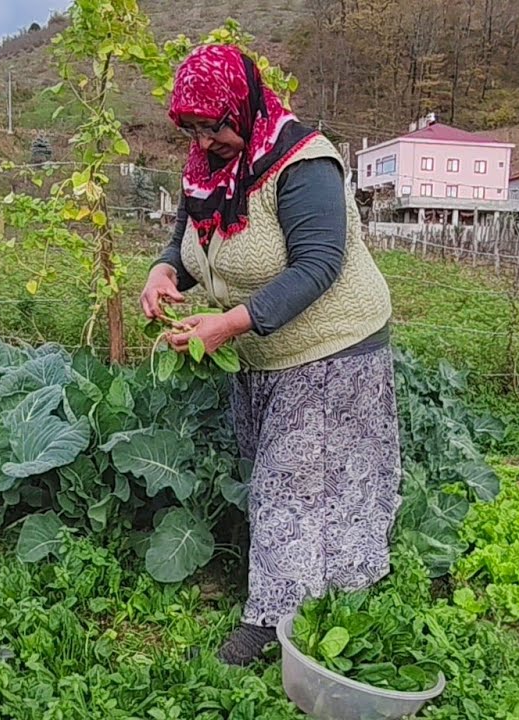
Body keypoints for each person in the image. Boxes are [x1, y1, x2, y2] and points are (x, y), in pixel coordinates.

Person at [139, 44, 401, 667]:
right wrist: (161, 271)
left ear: (246, 105)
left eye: (216, 125)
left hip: (333, 348)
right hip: (264, 350)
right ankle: (332, 589)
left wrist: (227, 325)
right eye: (194, 128)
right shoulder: (207, 169)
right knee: (298, 482)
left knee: (291, 486)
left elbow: (319, 264)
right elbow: (188, 238)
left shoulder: (302, 162)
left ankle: (272, 625)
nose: (207, 139)